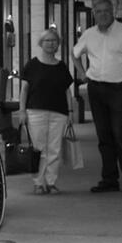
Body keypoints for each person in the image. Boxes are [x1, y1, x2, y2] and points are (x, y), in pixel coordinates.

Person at [72, 0, 122, 197]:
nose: (103, 14)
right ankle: (109, 179)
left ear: (113, 11)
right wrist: (82, 73)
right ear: (94, 14)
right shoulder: (89, 34)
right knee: (103, 135)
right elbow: (75, 54)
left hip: (120, 88)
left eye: (106, 11)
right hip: (96, 88)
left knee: (121, 134)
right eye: (98, 11)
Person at [18, 28, 74, 195]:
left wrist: (70, 112)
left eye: (54, 41)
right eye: (47, 40)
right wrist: (22, 111)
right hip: (35, 111)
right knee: (39, 148)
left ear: (58, 44)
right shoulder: (32, 65)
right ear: (41, 43)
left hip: (59, 112)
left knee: (55, 149)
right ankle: (38, 182)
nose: (51, 43)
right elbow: (24, 90)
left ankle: (50, 182)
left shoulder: (62, 66)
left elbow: (67, 91)